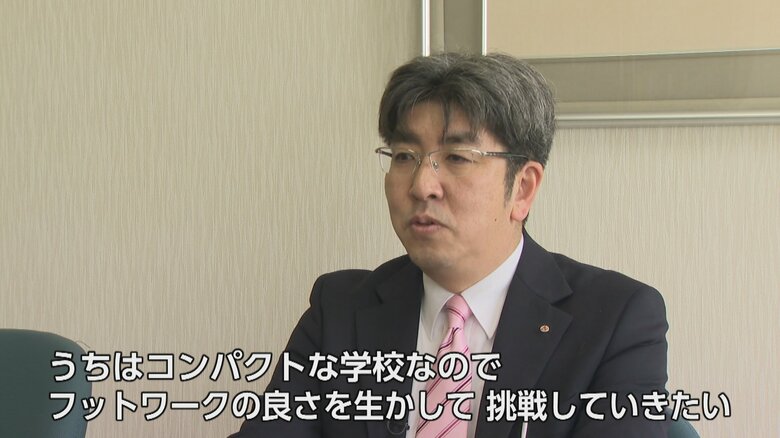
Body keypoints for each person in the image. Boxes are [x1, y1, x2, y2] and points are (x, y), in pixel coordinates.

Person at [230, 52, 669, 438]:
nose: (422, 185)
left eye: (457, 158)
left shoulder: (615, 320)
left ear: (522, 188)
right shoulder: (339, 309)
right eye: (404, 156)